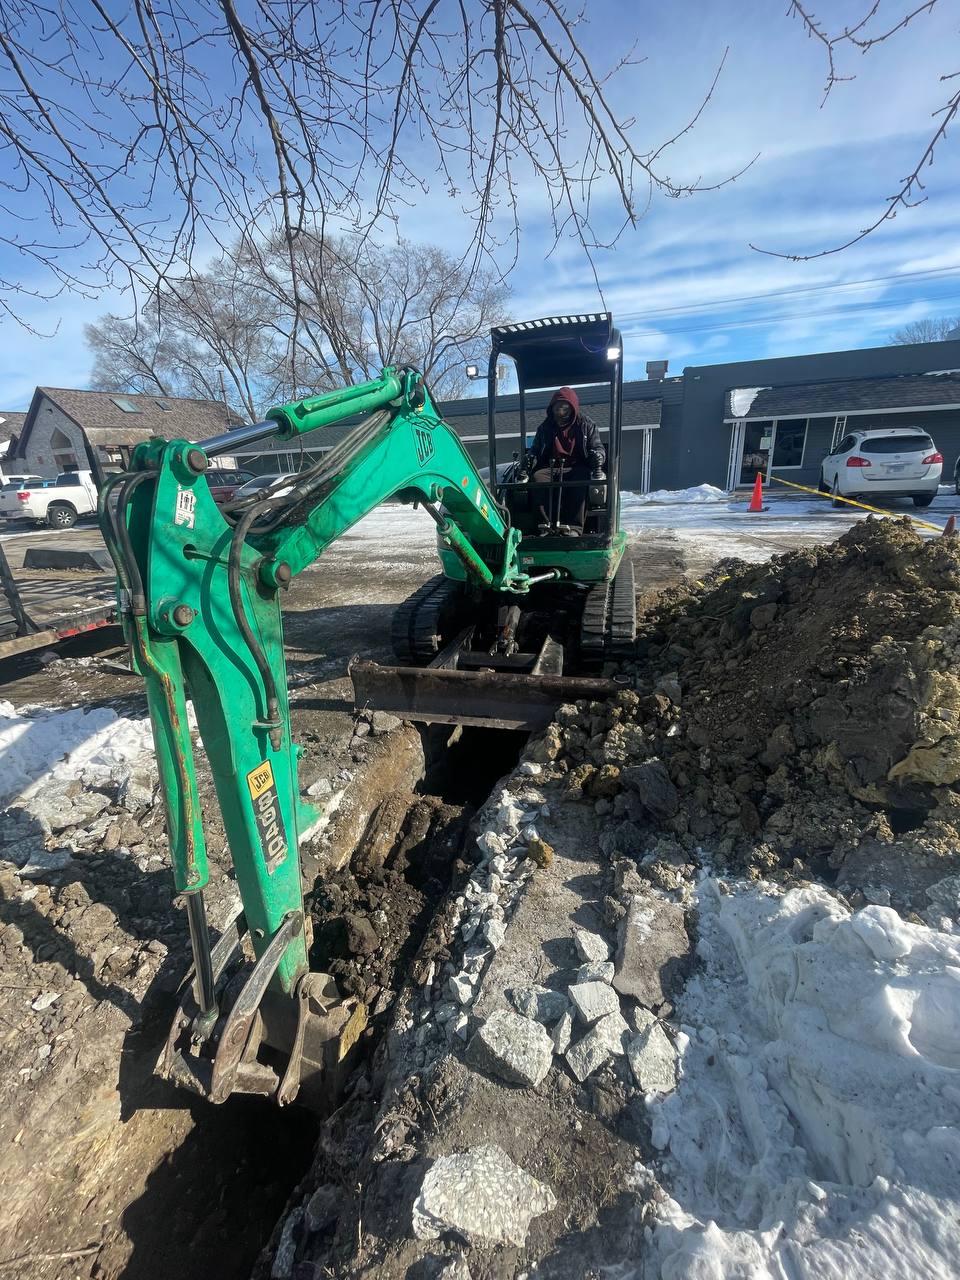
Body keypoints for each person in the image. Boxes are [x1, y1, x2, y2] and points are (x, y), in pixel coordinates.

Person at [528, 387, 605, 534]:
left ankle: (575, 527)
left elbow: (598, 447)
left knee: (581, 477)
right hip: (551, 467)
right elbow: (536, 450)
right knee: (538, 477)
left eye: (565, 409)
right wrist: (530, 459)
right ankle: (544, 525)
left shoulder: (587, 425)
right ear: (552, 409)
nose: (561, 413)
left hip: (577, 467)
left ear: (572, 408)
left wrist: (598, 457)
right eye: (557, 409)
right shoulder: (544, 428)